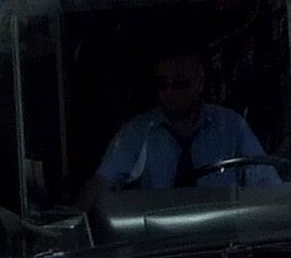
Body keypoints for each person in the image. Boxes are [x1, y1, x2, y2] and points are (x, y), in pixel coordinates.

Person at [87, 48, 273, 201]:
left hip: (221, 238)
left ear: (200, 83)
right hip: (159, 240)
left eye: (180, 83)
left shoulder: (231, 126)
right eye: (162, 84)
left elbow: (268, 187)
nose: (169, 91)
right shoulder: (138, 132)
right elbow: (101, 186)